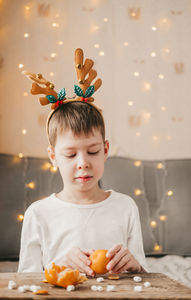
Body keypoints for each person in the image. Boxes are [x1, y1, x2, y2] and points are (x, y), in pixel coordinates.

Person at [18, 49, 148, 275]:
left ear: (105, 150)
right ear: (53, 157)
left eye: (93, 151)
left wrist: (135, 266)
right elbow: (24, 283)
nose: (83, 163)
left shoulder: (125, 207)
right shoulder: (38, 214)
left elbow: (144, 275)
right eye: (70, 155)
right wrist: (58, 267)